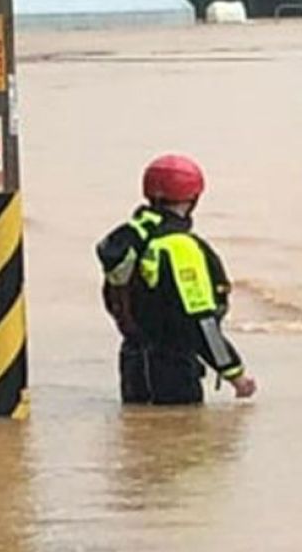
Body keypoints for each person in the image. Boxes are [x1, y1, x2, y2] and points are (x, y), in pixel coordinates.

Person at [97, 154, 257, 405]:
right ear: (193, 198)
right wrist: (235, 374)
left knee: (139, 437)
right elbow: (202, 323)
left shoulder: (131, 238)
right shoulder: (181, 249)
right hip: (173, 373)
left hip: (133, 364)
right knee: (180, 439)